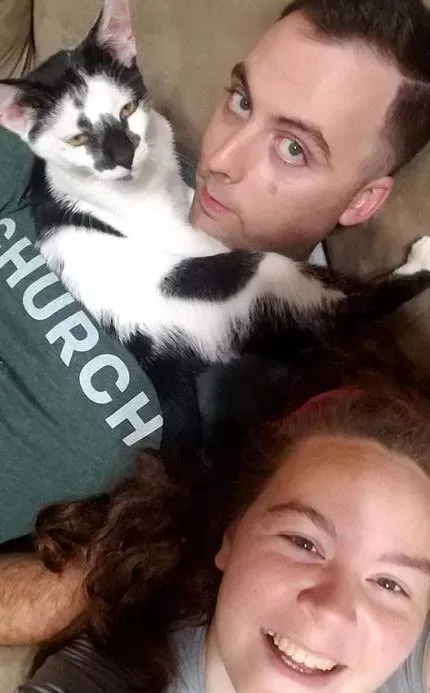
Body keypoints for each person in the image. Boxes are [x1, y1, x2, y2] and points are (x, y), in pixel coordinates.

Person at [1, 0, 430, 646]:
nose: (221, 157)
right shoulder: (102, 149)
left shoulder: (284, 404)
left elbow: (88, 584)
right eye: (240, 100)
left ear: (363, 200)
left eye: (293, 148)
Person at [17, 380, 430, 693]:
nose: (333, 610)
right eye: (304, 543)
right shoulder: (114, 671)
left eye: (390, 584)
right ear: (231, 537)